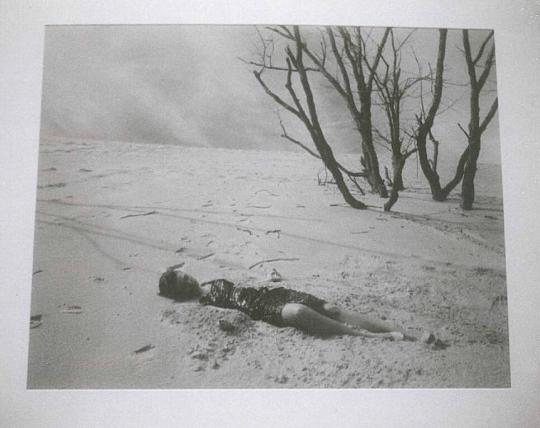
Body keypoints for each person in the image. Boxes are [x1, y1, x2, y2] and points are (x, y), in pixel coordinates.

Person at [158, 265, 418, 341]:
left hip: (270, 294)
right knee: (299, 313)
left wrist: (269, 278)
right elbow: (224, 317)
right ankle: (368, 336)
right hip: (259, 309)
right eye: (183, 282)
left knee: (332, 309)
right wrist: (227, 324)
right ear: (180, 292)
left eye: (185, 274)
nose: (189, 279)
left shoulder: (213, 280)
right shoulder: (201, 302)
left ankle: (407, 332)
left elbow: (242, 286)